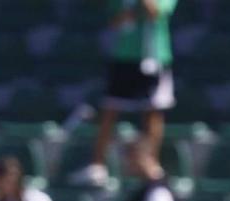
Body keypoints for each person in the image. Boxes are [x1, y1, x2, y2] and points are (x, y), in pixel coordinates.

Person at [77, 0, 179, 188]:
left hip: (154, 56)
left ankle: (152, 164)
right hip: (124, 56)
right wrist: (128, 14)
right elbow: (116, 21)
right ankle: (98, 165)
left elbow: (154, 11)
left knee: (152, 113)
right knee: (109, 109)